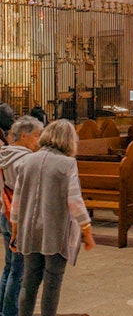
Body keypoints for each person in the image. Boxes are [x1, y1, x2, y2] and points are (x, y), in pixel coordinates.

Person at [11, 119, 94, 316]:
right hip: (55, 233)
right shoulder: (67, 164)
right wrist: (87, 231)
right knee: (52, 283)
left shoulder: (28, 160)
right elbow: (75, 201)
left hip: (29, 232)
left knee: (29, 282)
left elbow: (17, 200)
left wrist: (16, 231)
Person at [0, 117, 42, 316]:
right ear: (24, 135)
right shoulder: (27, 161)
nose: (38, 140)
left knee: (9, 267)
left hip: (4, 213)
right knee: (19, 272)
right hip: (20, 220)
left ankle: (2, 308)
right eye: (35, 135)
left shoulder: (4, 154)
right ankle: (10, 312)